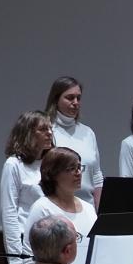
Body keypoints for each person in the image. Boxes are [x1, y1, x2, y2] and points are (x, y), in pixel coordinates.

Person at [0, 111, 53, 264]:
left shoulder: (50, 163)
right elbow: (9, 212)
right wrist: (15, 259)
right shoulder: (14, 165)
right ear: (28, 133)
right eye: (43, 129)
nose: (50, 133)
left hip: (52, 240)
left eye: (50, 128)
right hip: (27, 242)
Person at [45, 76, 104, 206]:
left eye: (78, 98)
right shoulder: (47, 131)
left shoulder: (88, 133)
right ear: (56, 99)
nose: (76, 102)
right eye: (70, 98)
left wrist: (99, 210)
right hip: (57, 207)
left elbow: (96, 176)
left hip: (87, 207)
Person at [26, 147, 98, 245]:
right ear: (53, 173)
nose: (78, 173)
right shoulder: (42, 208)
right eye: (71, 169)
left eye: (79, 167)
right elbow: (29, 250)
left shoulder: (88, 208)